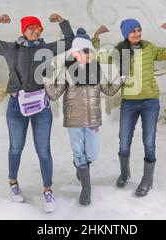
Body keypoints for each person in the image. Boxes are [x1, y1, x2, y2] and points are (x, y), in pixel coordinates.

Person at [0, 13, 74, 212]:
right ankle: (13, 184)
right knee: (16, 147)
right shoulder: (11, 49)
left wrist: (62, 22)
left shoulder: (46, 48)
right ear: (23, 30)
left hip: (41, 107)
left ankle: (48, 190)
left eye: (38, 27)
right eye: (30, 27)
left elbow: (70, 41)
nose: (35, 30)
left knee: (44, 150)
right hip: (16, 107)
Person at [92, 19, 166, 196]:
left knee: (149, 142)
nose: (136, 34)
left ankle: (147, 179)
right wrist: (95, 37)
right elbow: (96, 56)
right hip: (129, 102)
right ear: (126, 34)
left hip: (150, 102)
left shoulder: (150, 48)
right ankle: (125, 173)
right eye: (132, 31)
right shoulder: (119, 52)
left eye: (139, 30)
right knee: (124, 141)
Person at [44, 28, 123, 206]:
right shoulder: (68, 70)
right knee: (80, 153)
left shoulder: (96, 69)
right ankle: (86, 189)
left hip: (93, 118)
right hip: (74, 119)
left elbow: (109, 90)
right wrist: (47, 79)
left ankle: (81, 168)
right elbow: (55, 94)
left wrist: (120, 78)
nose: (88, 54)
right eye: (84, 51)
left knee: (92, 154)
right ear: (76, 53)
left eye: (90, 51)